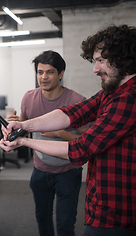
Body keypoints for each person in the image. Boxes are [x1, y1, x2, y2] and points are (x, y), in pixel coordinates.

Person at [0, 25, 136, 236]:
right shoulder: (114, 92)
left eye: (100, 60)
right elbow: (75, 113)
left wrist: (24, 141)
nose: (95, 69)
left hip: (118, 211)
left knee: (65, 224)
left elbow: (81, 149)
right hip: (102, 200)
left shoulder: (131, 99)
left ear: (122, 58)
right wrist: (24, 126)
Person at [7, 50, 87, 236]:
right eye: (40, 72)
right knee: (42, 219)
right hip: (40, 170)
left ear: (61, 73)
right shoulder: (29, 98)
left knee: (65, 225)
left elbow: (87, 142)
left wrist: (60, 133)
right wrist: (14, 122)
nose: (44, 77)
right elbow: (26, 128)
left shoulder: (76, 101)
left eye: (50, 72)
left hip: (68, 172)